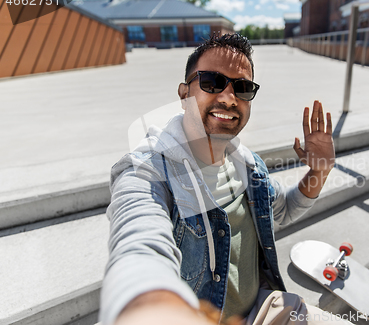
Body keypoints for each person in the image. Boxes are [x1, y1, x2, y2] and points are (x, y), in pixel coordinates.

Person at [100, 34, 347, 325]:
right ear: (183, 94)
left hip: (265, 309)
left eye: (242, 88)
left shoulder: (248, 165)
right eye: (211, 82)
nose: (229, 98)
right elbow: (139, 241)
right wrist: (153, 305)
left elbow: (283, 210)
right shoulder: (148, 170)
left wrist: (318, 172)